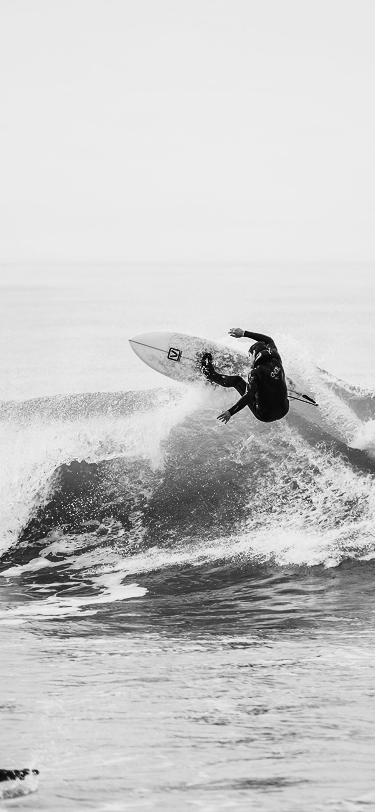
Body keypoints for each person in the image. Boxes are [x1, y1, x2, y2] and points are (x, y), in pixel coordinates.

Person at [201, 327, 289, 424]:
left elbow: (249, 395)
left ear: (255, 354)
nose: (249, 360)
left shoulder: (255, 373)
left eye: (249, 356)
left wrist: (230, 412)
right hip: (284, 410)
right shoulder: (276, 358)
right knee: (267, 383)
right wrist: (243, 333)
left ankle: (210, 374)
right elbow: (268, 340)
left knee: (237, 381)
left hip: (264, 415)